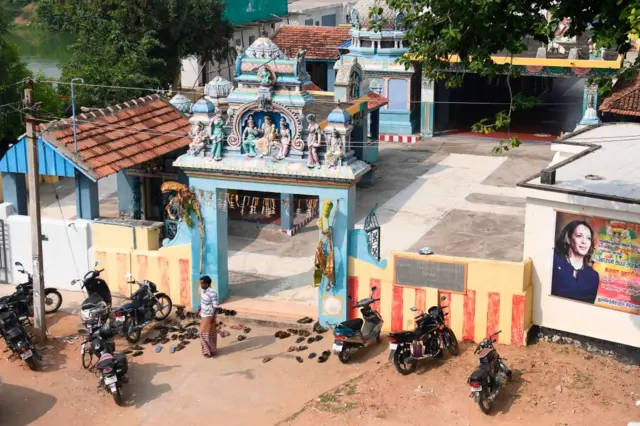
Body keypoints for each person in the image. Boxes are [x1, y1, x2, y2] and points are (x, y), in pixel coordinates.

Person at [551, 220, 600, 304]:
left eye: (588, 238)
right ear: (568, 239)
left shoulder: (593, 276)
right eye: (579, 236)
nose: (584, 241)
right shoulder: (554, 260)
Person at [198, 276, 218, 358]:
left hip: (209, 316)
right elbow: (203, 301)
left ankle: (209, 351)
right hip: (203, 314)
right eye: (201, 283)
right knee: (210, 333)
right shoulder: (203, 291)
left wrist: (212, 318)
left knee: (203, 333)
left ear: (207, 283)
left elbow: (215, 306)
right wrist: (199, 307)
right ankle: (211, 350)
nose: (201, 284)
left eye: (202, 283)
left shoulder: (212, 292)